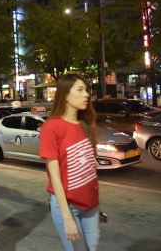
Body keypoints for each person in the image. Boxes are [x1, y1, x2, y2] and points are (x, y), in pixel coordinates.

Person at [39, 73, 101, 251]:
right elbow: (54, 176)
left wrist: (98, 205)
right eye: (80, 90)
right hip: (67, 206)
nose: (86, 95)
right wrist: (67, 217)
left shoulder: (86, 124)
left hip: (91, 205)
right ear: (65, 95)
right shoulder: (52, 127)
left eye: (87, 90)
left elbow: (90, 169)